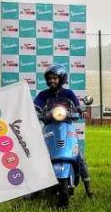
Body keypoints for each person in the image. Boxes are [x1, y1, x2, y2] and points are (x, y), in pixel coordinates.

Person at [34, 64, 93, 197]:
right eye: (49, 78)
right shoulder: (44, 94)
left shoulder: (69, 93)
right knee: (40, 155)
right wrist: (34, 109)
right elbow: (36, 105)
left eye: (54, 78)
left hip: (67, 126)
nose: (52, 81)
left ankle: (89, 190)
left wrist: (81, 111)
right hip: (50, 127)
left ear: (61, 79)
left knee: (79, 157)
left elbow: (78, 107)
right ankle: (36, 189)